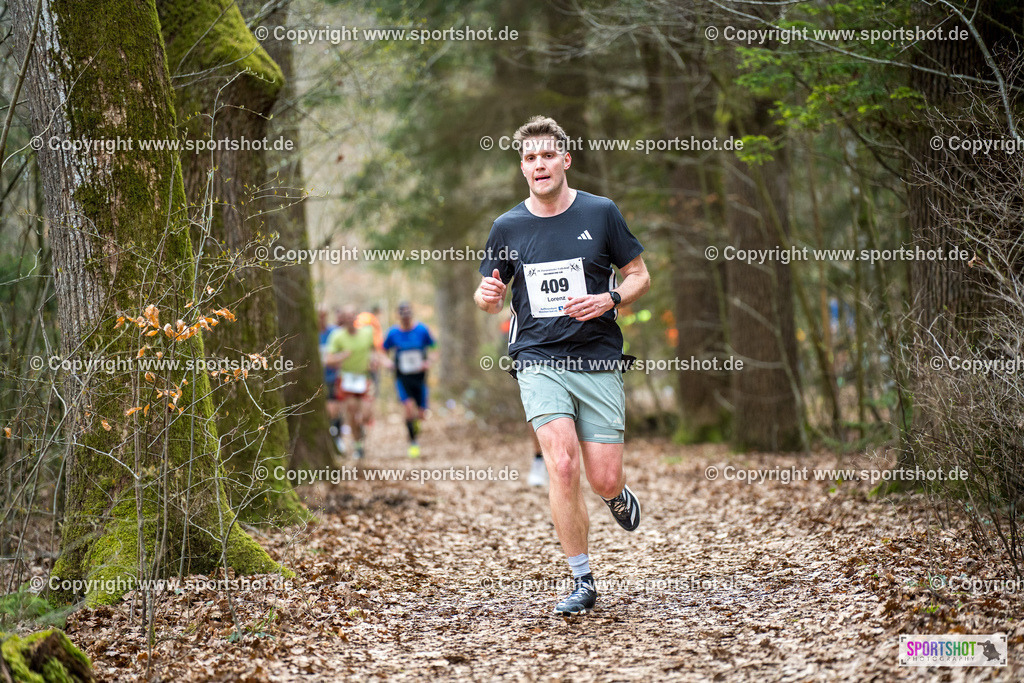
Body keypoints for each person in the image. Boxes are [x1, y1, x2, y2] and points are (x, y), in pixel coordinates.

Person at [474, 115, 650, 616]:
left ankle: (615, 495)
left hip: (597, 356)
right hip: (537, 358)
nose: (539, 164)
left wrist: (610, 298)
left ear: (565, 160)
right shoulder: (507, 227)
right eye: (530, 158)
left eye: (548, 155)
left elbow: (639, 274)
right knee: (563, 463)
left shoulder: (601, 212)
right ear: (522, 167)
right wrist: (488, 296)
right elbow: (488, 296)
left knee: (604, 478)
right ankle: (582, 579)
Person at [383, 302, 435, 458]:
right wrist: (387, 362)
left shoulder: (422, 330)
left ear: (412, 314)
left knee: (421, 413)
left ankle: (416, 424)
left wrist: (429, 361)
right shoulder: (393, 333)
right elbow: (382, 350)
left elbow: (434, 347)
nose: (406, 317)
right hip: (402, 376)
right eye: (403, 314)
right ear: (398, 316)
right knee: (408, 407)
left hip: (420, 377)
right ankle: (413, 442)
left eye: (408, 314)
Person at [325, 305, 377, 459]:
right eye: (346, 316)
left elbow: (374, 350)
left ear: (356, 317)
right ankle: (358, 445)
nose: (349, 319)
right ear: (343, 319)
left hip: (364, 377)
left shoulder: (367, 332)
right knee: (352, 412)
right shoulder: (337, 336)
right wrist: (341, 356)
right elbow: (328, 359)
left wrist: (374, 360)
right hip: (346, 379)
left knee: (366, 414)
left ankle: (361, 429)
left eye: (351, 316)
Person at [502, 317, 548, 487]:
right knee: (537, 410)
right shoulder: (510, 319)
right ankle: (539, 459)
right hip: (533, 352)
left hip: (576, 350)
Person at [318, 307, 344, 454]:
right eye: (318, 316)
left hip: (333, 377)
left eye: (323, 316)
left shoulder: (334, 332)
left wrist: (336, 360)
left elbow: (343, 351)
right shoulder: (310, 334)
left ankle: (337, 437)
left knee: (334, 409)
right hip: (316, 378)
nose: (321, 319)